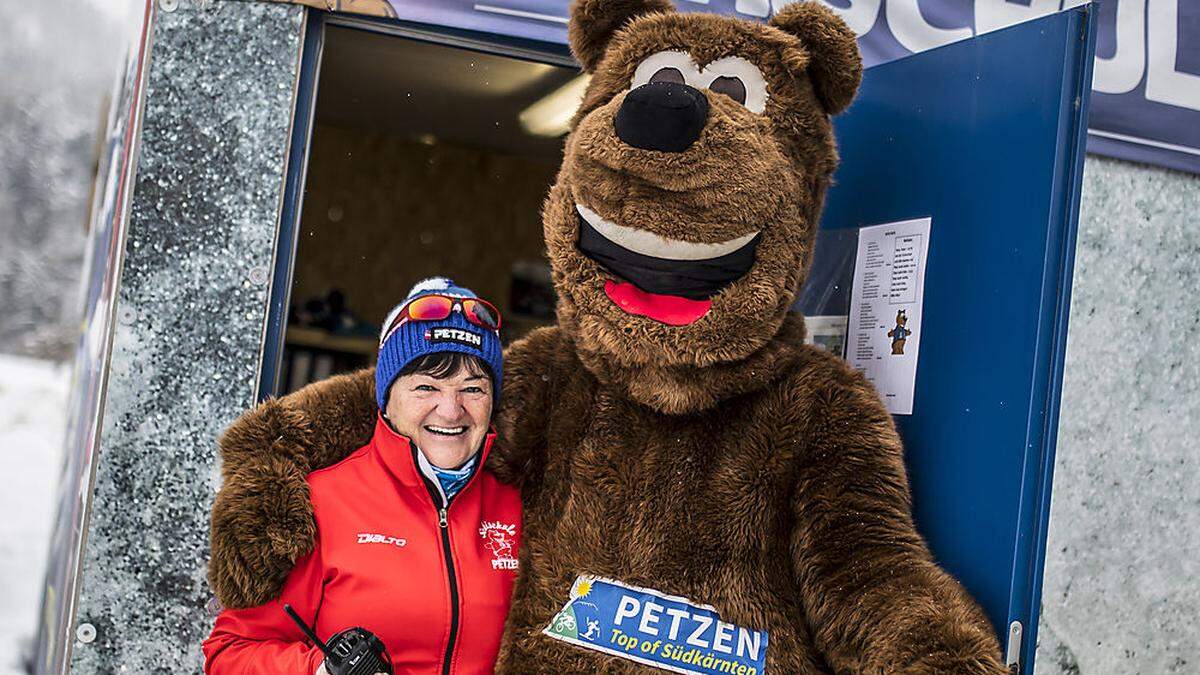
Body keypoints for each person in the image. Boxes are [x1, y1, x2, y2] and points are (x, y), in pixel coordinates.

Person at [203, 278, 520, 675]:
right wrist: (319, 671)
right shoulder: (320, 503)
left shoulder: (523, 507)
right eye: (426, 387)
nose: (451, 410)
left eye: (473, 389)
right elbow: (230, 654)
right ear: (387, 398)